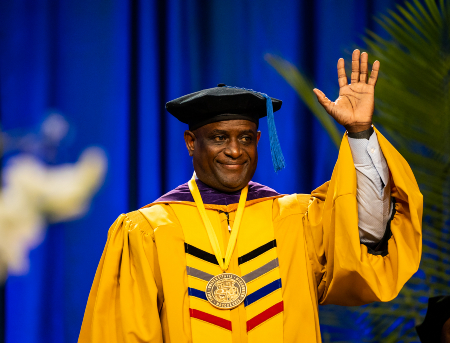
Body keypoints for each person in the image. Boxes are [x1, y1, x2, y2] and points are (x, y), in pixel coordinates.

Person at [78, 50, 422, 343]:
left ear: (258, 140)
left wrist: (359, 132)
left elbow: (369, 234)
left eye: (245, 138)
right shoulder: (146, 230)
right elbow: (123, 331)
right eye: (218, 137)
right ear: (190, 143)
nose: (234, 150)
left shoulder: (298, 219)